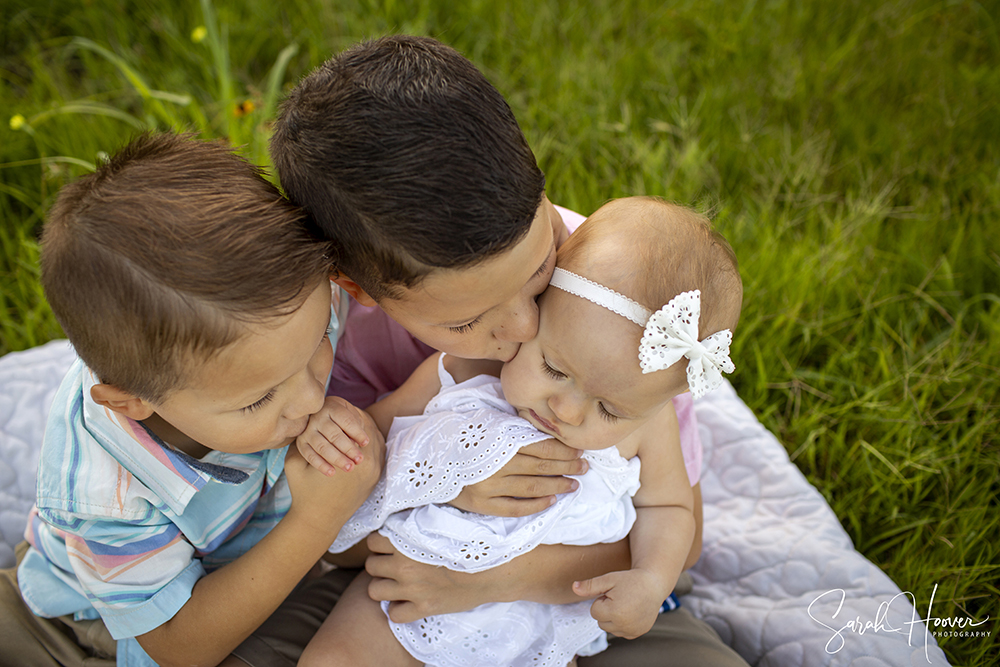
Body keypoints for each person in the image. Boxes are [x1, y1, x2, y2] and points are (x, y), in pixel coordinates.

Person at [254, 34, 749, 667]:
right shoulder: (341, 345)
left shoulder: (615, 299)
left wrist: (500, 581)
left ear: (541, 197)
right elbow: (338, 540)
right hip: (406, 584)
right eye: (468, 321)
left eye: (539, 269)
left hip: (571, 593)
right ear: (358, 289)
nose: (520, 326)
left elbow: (680, 534)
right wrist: (443, 480)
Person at [297, 196, 743, 667]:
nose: (567, 411)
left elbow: (669, 508)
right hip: (408, 588)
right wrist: (342, 427)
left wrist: (651, 579)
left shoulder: (650, 425)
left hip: (539, 614)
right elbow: (378, 431)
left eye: (610, 410)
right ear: (539, 307)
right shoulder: (464, 369)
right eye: (553, 367)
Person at [0, 133, 385, 667]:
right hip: (86, 616)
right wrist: (318, 520)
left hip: (236, 559)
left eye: (320, 338)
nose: (307, 402)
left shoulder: (286, 309)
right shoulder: (103, 494)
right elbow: (178, 646)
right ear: (133, 402)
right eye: (259, 400)